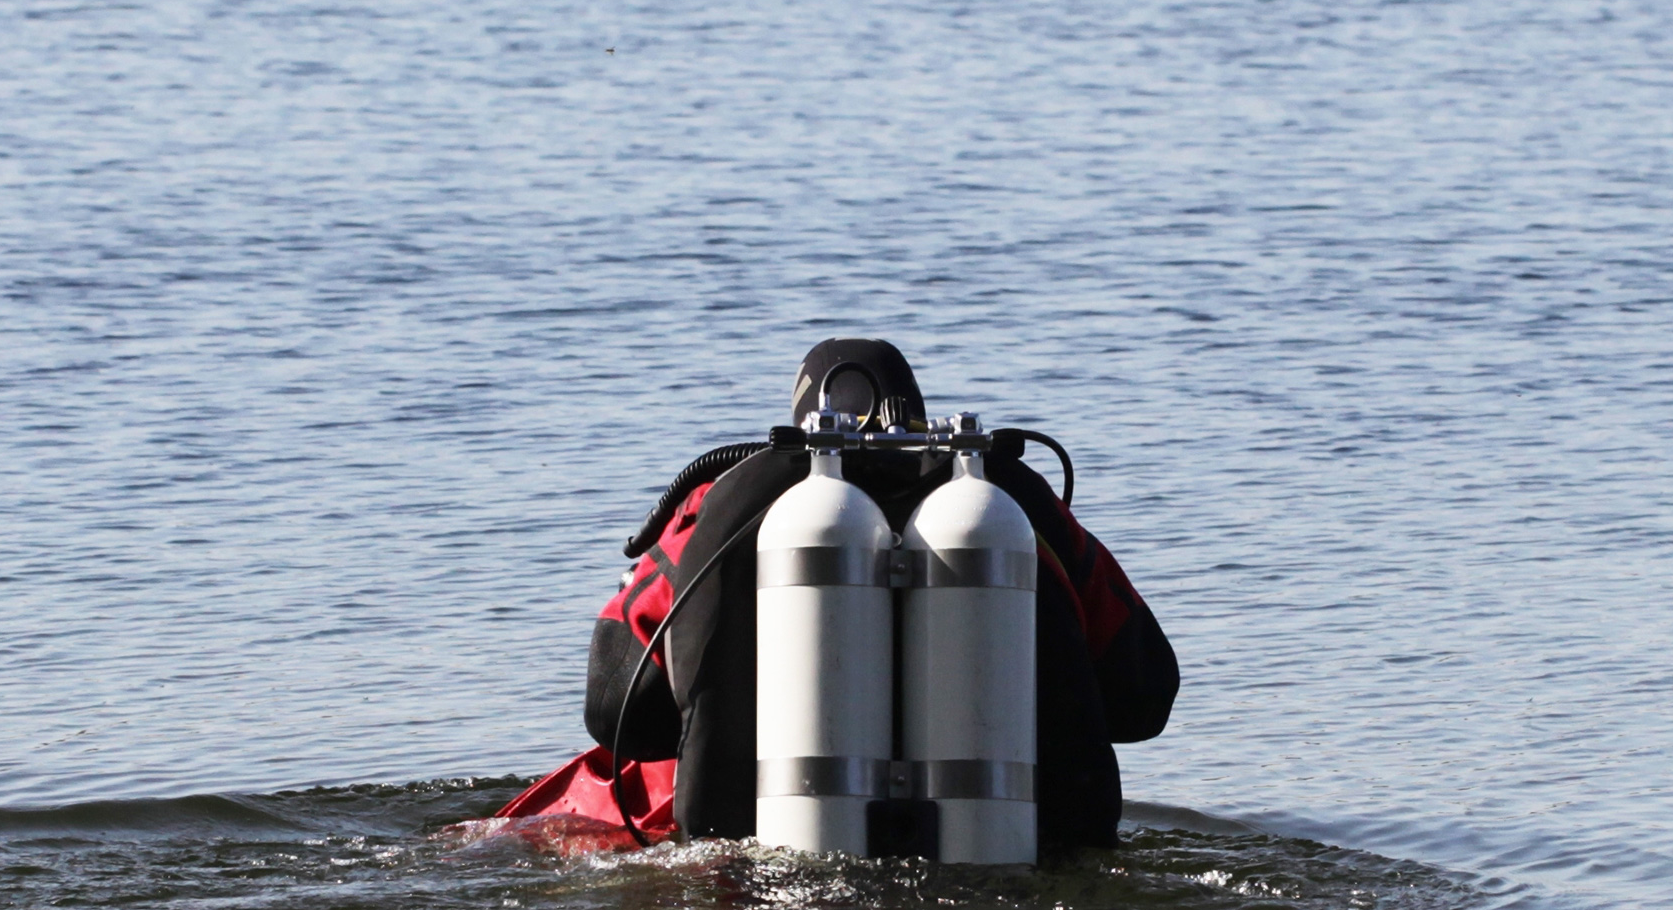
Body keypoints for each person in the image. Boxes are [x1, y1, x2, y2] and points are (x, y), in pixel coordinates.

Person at [492, 338, 1177, 853]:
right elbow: (1144, 694)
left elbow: (614, 710)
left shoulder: (721, 502)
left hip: (764, 856)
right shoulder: (1011, 502)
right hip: (1021, 846)